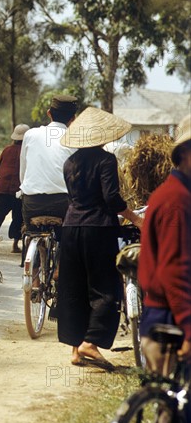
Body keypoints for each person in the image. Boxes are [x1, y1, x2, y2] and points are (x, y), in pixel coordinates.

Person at [56, 107, 143, 368]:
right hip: (98, 229)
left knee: (74, 289)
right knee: (105, 288)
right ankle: (90, 343)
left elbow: (74, 198)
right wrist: (136, 218)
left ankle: (75, 349)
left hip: (71, 228)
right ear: (102, 136)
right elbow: (112, 199)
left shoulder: (69, 162)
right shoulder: (106, 161)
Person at [138, 113, 191, 372]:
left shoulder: (176, 194)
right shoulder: (175, 201)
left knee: (170, 410)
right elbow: (174, 269)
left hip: (166, 314)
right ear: (185, 155)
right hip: (170, 319)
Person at [19, 94, 78, 230]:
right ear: (73, 118)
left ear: (49, 113)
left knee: (30, 232)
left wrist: (24, 187)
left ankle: (29, 246)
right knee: (66, 240)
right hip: (62, 203)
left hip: (32, 203)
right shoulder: (75, 139)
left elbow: (23, 171)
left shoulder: (30, 134)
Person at [0, 124, 30, 253]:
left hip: (2, 190)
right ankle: (15, 245)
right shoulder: (29, 152)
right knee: (19, 218)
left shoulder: (7, 150)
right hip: (20, 191)